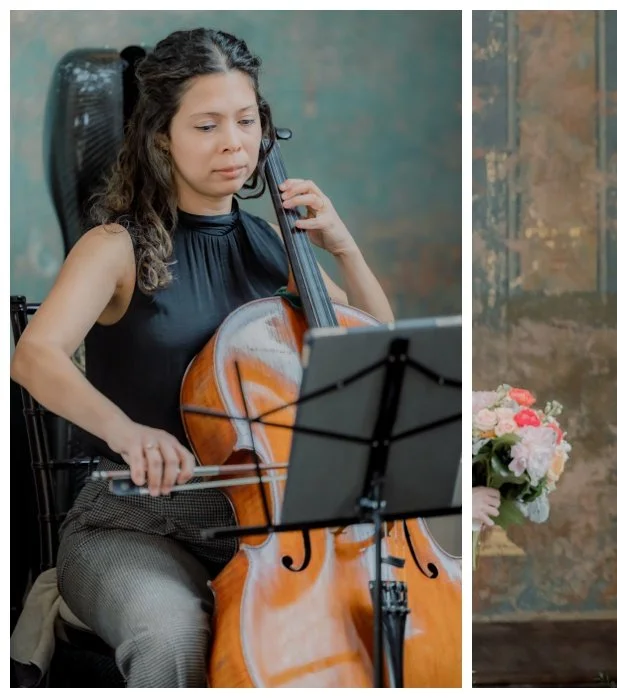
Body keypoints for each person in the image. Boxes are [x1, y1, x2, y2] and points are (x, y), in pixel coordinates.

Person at [9, 28, 394, 687]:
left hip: (260, 527)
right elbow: (34, 356)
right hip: (131, 525)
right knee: (176, 639)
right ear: (161, 136)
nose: (233, 144)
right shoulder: (116, 246)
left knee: (359, 624)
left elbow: (371, 349)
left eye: (246, 121)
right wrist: (126, 432)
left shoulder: (274, 244)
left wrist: (343, 248)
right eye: (207, 125)